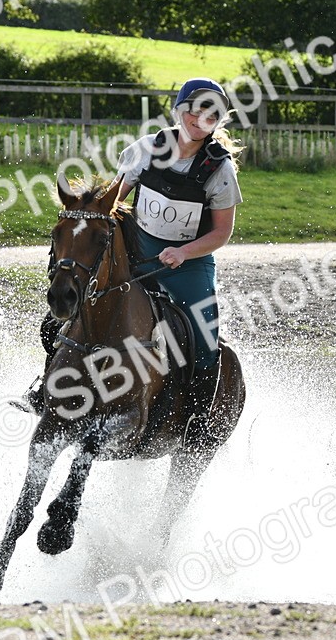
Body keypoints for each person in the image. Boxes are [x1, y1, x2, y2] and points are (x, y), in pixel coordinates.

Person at [13, 77, 243, 439]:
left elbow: (221, 233)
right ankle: (45, 390)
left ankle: (197, 422)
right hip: (136, 253)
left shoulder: (220, 170)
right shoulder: (145, 151)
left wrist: (183, 252)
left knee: (205, 341)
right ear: (179, 111)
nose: (201, 120)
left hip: (189, 265)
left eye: (211, 116)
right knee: (59, 318)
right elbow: (112, 202)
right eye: (195, 111)